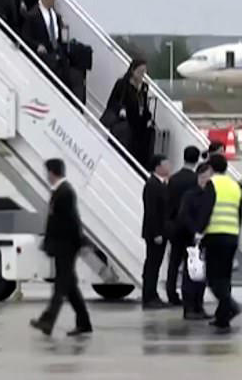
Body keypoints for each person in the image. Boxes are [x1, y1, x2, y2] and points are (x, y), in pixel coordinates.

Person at [30, 159, 92, 337]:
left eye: (47, 172)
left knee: (60, 287)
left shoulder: (65, 192)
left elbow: (72, 221)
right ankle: (84, 322)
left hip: (66, 247)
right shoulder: (60, 191)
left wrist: (80, 242)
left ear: (52, 172)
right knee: (70, 287)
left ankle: (47, 321)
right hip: (62, 246)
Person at [195, 153, 242, 334]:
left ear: (211, 168)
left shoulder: (212, 184)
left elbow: (206, 209)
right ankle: (223, 318)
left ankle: (231, 305)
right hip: (231, 236)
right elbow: (240, 213)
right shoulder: (235, 185)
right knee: (225, 277)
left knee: (213, 279)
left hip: (215, 236)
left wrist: (199, 231)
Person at [177, 160, 213, 320]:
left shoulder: (211, 195)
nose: (206, 179)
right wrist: (195, 232)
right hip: (191, 240)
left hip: (206, 239)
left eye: (209, 176)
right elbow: (184, 216)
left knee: (202, 275)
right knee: (190, 274)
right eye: (204, 176)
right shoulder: (190, 195)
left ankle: (199, 305)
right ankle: (189, 307)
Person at [165, 145, 201, 306]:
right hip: (190, 227)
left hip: (175, 225)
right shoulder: (195, 180)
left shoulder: (173, 179)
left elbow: (169, 203)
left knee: (174, 260)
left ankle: (171, 292)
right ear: (197, 159)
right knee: (190, 261)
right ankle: (189, 294)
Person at [104, 60, 153, 168]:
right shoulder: (122, 84)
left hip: (138, 123)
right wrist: (120, 109)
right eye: (140, 72)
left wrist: (148, 117)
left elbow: (144, 105)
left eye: (144, 72)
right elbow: (112, 101)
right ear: (132, 71)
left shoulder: (143, 87)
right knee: (124, 146)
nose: (142, 75)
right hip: (126, 121)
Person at [141, 154, 171, 309]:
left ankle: (152, 294)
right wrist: (157, 233)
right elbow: (151, 211)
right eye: (166, 164)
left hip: (161, 231)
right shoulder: (152, 185)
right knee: (152, 264)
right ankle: (149, 296)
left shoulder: (161, 184)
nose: (169, 166)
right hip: (155, 233)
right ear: (158, 167)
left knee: (156, 264)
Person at [21, 0, 67, 79]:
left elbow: (60, 36)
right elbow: (26, 35)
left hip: (57, 51)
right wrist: (37, 45)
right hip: (44, 52)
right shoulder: (33, 14)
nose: (53, 1)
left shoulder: (55, 15)